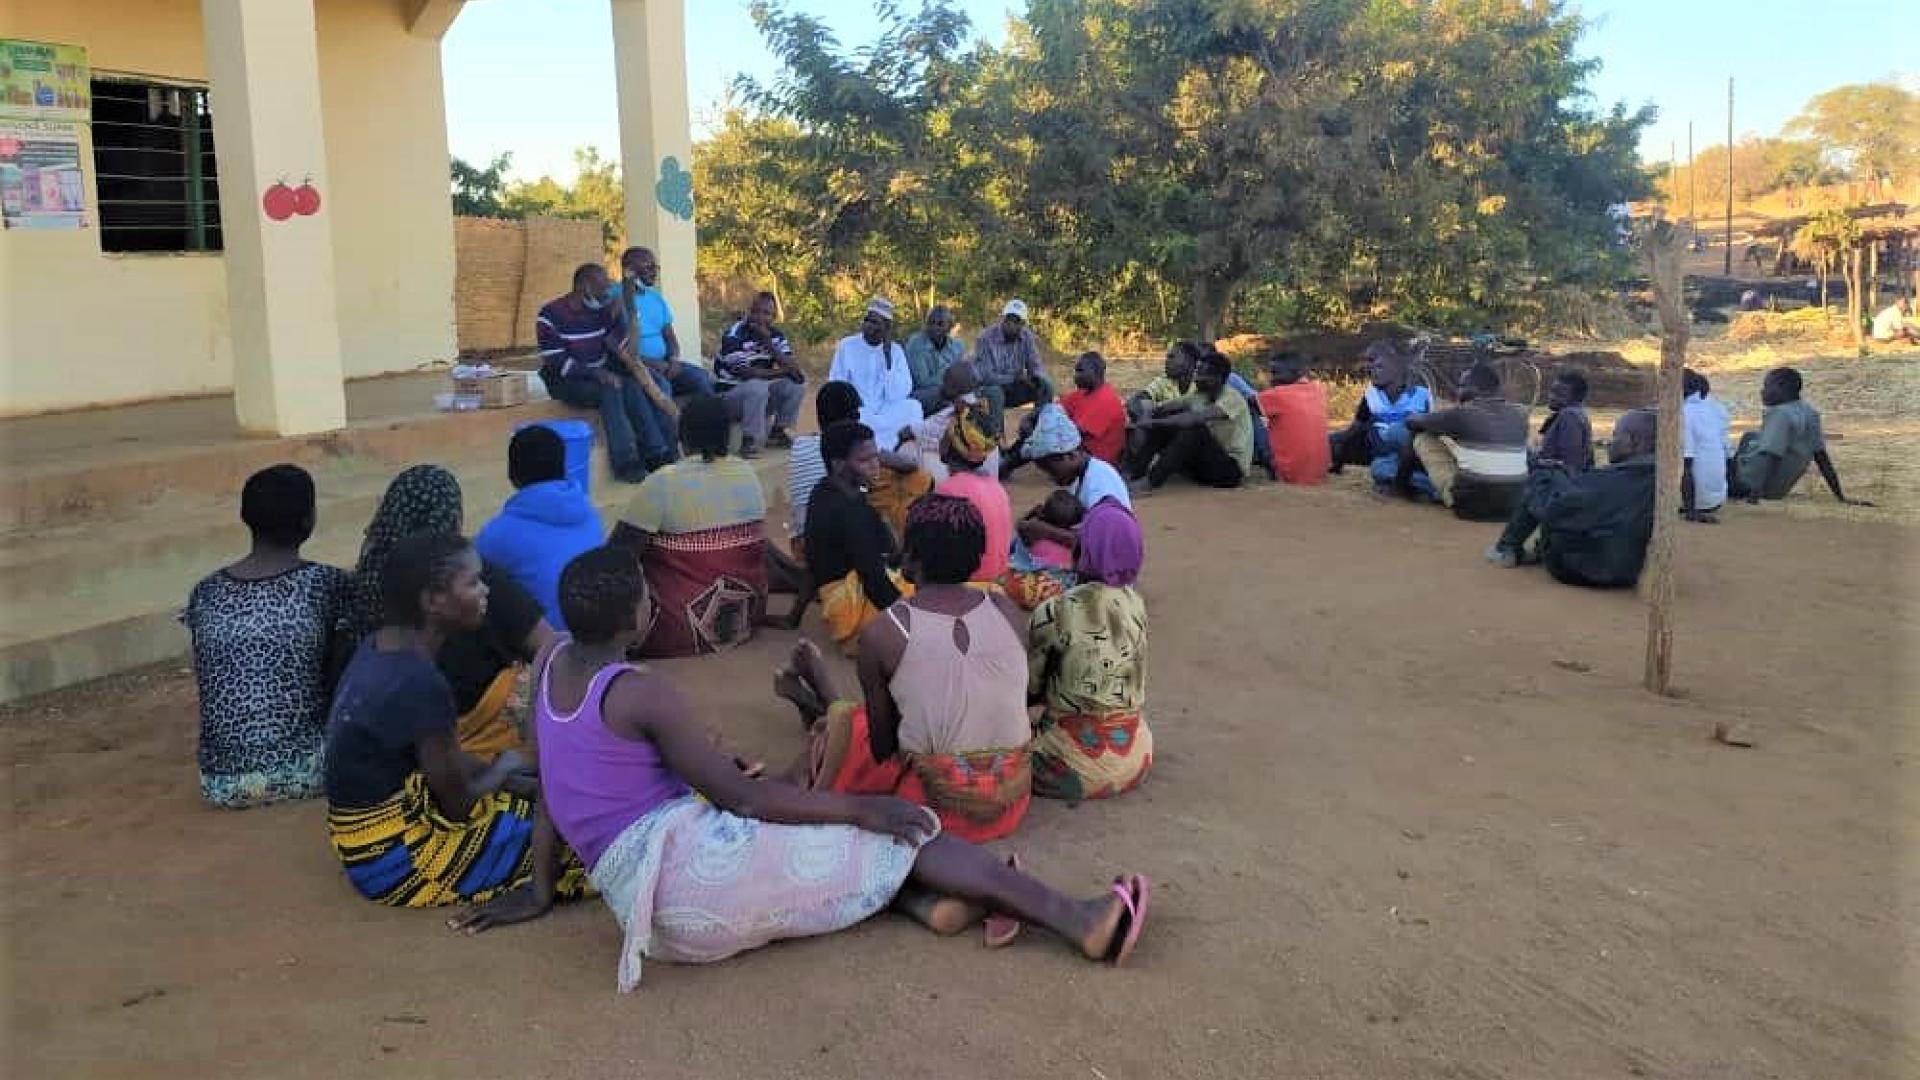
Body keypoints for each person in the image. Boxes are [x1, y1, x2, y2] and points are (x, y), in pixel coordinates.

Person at [446, 546, 1153, 988]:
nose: (651, 599)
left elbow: (550, 789)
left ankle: (929, 904)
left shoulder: (550, 664)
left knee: (825, 826)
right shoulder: (640, 693)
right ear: (633, 617)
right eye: (643, 593)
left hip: (642, 902)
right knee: (904, 829)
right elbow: (740, 805)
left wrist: (539, 891)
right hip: (694, 885)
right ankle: (1079, 919)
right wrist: (863, 807)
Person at [324, 531, 592, 908]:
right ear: (434, 599)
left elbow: (436, 760)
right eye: (472, 582)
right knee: (589, 840)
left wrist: (514, 782)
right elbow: (460, 805)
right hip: (399, 859)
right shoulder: (420, 682)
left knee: (544, 806)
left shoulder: (379, 647)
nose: (485, 591)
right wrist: (505, 767)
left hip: (363, 841)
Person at [778, 497, 1034, 844]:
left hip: (932, 812)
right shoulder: (1008, 610)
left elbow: (884, 749)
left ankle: (825, 703)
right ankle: (823, 700)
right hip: (1010, 803)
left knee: (855, 730)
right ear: (977, 559)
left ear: (910, 557)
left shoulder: (886, 631)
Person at [341, 466, 554, 759]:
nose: (483, 590)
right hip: (469, 745)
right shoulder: (468, 576)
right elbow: (548, 645)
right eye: (474, 584)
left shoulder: (365, 584)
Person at [182, 464, 351, 808]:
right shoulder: (328, 584)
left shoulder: (206, 591)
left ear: (245, 517)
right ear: (309, 519)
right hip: (310, 771)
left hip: (221, 783)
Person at [612, 396, 771, 658]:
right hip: (747, 618)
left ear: (681, 436)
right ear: (727, 435)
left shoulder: (663, 481)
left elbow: (617, 554)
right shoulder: (747, 473)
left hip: (676, 631)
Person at [1028, 500, 1152, 802]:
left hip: (1069, 766)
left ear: (1083, 550)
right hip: (1137, 757)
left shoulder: (1056, 610)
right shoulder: (1136, 604)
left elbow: (1029, 690)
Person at [1486, 410, 1659, 588]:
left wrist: (1543, 473)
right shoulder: (1659, 481)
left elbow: (1553, 509)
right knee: (1560, 481)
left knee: (1542, 480)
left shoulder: (1611, 481)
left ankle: (1507, 548)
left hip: (1580, 570)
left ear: (1633, 442)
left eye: (1615, 436)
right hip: (1631, 570)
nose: (1609, 443)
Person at [537, 262, 674, 483]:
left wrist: (624, 316)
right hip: (565, 379)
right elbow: (556, 363)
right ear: (585, 287)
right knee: (610, 389)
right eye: (602, 289)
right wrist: (596, 373)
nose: (606, 294)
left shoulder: (601, 312)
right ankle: (625, 461)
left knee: (631, 386)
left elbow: (623, 348)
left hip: (600, 374)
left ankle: (656, 452)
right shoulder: (550, 314)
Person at [473, 425, 605, 631]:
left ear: (511, 474)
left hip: (543, 648)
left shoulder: (499, 534)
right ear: (564, 468)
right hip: (599, 636)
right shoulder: (591, 515)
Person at [1004, 405, 1134, 609]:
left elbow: (1096, 546)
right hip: (1085, 561)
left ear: (1070, 456)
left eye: (1051, 469)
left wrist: (1044, 530)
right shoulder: (1081, 475)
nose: (1051, 477)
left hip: (1104, 576)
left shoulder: (1099, 487)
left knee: (1023, 583)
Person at [806, 421, 913, 654]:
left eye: (876, 457)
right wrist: (913, 618)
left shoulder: (825, 490)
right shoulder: (848, 510)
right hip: (849, 604)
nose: (875, 466)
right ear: (838, 464)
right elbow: (873, 578)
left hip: (844, 592)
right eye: (864, 461)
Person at [1401, 364, 1529, 520]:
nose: (1458, 391)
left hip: (1471, 507)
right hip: (1513, 507)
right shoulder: (1521, 414)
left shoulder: (1461, 414)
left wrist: (1422, 416)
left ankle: (1401, 486)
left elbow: (1411, 422)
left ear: (1475, 389)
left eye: (1462, 386)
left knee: (1421, 436)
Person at [1729, 367, 1868, 506]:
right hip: (1779, 489)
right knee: (1750, 436)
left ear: (1781, 387)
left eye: (1766, 386)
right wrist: (1840, 496)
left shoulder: (1780, 414)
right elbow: (1821, 457)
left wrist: (1754, 495)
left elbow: (1770, 456)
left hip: (1754, 485)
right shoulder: (1810, 413)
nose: (1762, 391)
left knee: (1718, 463)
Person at [1130, 350, 1253, 491]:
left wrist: (1153, 423)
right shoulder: (1200, 396)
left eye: (1201, 374)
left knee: (1194, 430)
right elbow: (1162, 408)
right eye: (1196, 372)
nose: (1196, 378)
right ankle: (1134, 473)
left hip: (1230, 471)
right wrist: (1146, 417)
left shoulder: (1232, 398)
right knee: (1164, 422)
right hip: (1205, 466)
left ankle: (1151, 482)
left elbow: (1194, 419)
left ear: (1217, 378)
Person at [1328, 341, 1432, 492]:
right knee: (1379, 469)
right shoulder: (1372, 394)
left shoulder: (1420, 394)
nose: (1369, 368)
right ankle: (1429, 487)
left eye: (1375, 362)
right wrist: (1332, 445)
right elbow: (1356, 429)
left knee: (1397, 432)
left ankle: (1418, 482)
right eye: (1370, 363)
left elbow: (1424, 434)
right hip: (1387, 454)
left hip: (1414, 453)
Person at [613, 246, 714, 399]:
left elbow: (669, 336)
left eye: (656, 267)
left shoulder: (655, 298)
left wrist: (674, 359)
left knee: (701, 377)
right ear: (629, 270)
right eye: (649, 267)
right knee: (662, 386)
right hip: (634, 366)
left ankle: (706, 421)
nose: (654, 272)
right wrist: (652, 364)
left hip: (665, 363)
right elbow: (616, 346)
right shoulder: (613, 297)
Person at [715, 291, 806, 458]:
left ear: (773, 317)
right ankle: (748, 441)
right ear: (749, 312)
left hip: (758, 397)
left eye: (767, 314)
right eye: (756, 312)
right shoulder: (734, 335)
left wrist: (769, 345)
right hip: (728, 399)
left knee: (795, 386)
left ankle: (778, 433)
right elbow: (746, 373)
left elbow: (797, 375)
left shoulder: (776, 336)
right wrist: (783, 371)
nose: (760, 318)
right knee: (757, 386)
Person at [1008, 351, 1127, 477]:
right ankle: (1008, 457)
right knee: (1043, 423)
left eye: (1080, 371)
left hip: (1094, 460)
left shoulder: (1106, 399)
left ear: (1096, 372)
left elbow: (1073, 434)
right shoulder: (1083, 393)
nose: (1075, 376)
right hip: (1079, 449)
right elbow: (1052, 409)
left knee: (1043, 437)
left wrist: (1036, 432)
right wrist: (1030, 418)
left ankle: (1006, 463)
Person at [932, 405, 1015, 583]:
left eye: (945, 434)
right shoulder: (995, 487)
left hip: (969, 584)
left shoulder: (948, 491)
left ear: (952, 444)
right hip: (998, 580)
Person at [829, 298, 925, 442]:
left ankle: (895, 448)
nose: (867, 325)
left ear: (886, 328)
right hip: (860, 411)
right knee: (852, 419)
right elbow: (836, 383)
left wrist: (887, 358)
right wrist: (854, 405)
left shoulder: (895, 351)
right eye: (866, 320)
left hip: (886, 410)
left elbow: (899, 394)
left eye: (874, 322)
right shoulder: (847, 346)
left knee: (914, 407)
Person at [972, 299, 1054, 435]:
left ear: (1023, 324)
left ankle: (1037, 432)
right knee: (995, 392)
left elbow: (1035, 364)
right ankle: (996, 440)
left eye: (1017, 321)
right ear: (1002, 318)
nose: (1012, 324)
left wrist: (1036, 378)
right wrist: (1013, 378)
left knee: (1046, 386)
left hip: (1014, 387)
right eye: (1009, 319)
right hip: (989, 390)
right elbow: (985, 376)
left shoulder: (1027, 337)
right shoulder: (985, 338)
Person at [1255, 351, 1331, 485]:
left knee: (1249, 415)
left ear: (1296, 372)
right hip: (1319, 474)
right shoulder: (1319, 390)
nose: (1272, 379)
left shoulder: (1277, 394)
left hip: (1288, 474)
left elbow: (1242, 405)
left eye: (1276, 373)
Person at [1681, 368, 1730, 523]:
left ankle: (1689, 507)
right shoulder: (1713, 409)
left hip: (1698, 502)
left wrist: (1691, 511)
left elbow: (1686, 464)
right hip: (1718, 498)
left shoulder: (1684, 414)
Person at [905, 304, 967, 414]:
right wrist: (950, 376)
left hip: (950, 390)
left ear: (949, 327)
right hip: (921, 394)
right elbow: (923, 382)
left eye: (940, 324)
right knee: (946, 397)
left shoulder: (957, 346)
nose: (934, 327)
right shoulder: (916, 344)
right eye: (931, 323)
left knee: (989, 389)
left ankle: (995, 430)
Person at [1534, 369, 1594, 477]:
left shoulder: (1569, 416)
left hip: (1560, 486)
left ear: (1576, 398)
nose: (1551, 397)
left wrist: (1535, 461)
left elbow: (1571, 465)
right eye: (1552, 391)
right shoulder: (1574, 414)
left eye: (1559, 394)